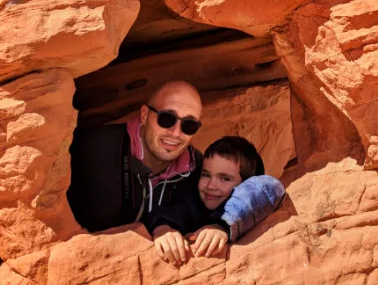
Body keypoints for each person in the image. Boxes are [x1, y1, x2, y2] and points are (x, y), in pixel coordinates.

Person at [67, 81, 285, 262]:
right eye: (166, 118)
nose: (175, 132)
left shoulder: (197, 169)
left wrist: (221, 225)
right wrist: (162, 228)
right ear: (144, 115)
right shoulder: (91, 149)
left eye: (189, 125)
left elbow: (263, 187)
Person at [153, 136, 284, 265]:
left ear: (245, 183)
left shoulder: (255, 190)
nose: (210, 186)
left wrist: (222, 225)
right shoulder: (195, 199)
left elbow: (269, 186)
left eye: (225, 178)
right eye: (206, 175)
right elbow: (172, 209)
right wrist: (162, 228)